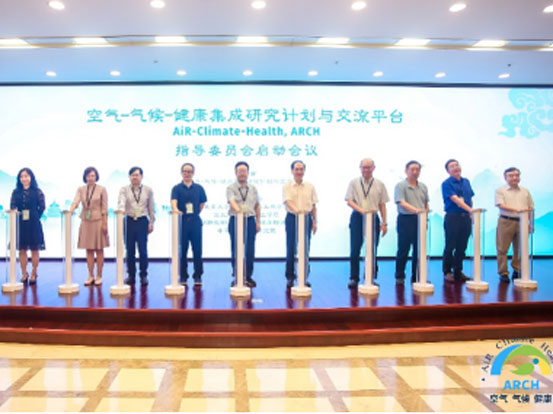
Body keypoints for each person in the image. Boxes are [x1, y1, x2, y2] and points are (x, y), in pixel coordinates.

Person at [345, 158, 388, 288]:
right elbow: (349, 201)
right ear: (360, 168)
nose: (366, 170)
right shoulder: (354, 182)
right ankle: (354, 277)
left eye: (369, 167)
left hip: (373, 217)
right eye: (364, 167)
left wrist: (384, 223)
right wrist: (362, 211)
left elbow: (382, 204)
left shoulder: (379, 184)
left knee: (372, 249)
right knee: (355, 249)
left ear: (373, 168)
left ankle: (370, 277)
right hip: (358, 217)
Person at [69, 166, 109, 286]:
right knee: (89, 249)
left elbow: (104, 207)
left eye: (93, 176)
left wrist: (105, 223)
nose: (90, 178)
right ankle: (91, 275)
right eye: (88, 176)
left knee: (99, 249)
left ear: (96, 177)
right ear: (85, 177)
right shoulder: (81, 189)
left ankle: (99, 275)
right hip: (86, 221)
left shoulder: (102, 189)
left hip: (98, 221)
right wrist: (70, 210)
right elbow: (76, 201)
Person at [117, 166, 155, 286]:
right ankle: (131, 275)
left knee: (143, 250)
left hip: (142, 221)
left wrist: (151, 222)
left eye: (137, 175)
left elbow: (151, 208)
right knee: (130, 250)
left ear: (141, 176)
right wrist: (121, 210)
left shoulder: (148, 190)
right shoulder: (124, 189)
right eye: (132, 175)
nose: (135, 177)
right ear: (129, 177)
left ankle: (143, 275)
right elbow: (121, 201)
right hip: (129, 221)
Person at [495, 167, 534, 283]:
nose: (514, 178)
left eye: (517, 175)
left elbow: (530, 208)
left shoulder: (525, 191)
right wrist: (518, 210)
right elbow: (500, 205)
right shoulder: (500, 190)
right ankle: (503, 272)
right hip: (506, 221)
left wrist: (530, 223)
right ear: (505, 178)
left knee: (520, 248)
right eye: (511, 176)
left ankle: (517, 270)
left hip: (522, 222)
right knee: (502, 249)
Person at [283, 160, 318, 288]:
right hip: (292, 218)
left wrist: (315, 221)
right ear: (292, 171)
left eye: (301, 169)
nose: (299, 171)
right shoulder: (287, 186)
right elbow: (287, 201)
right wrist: (298, 211)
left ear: (304, 171)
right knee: (291, 248)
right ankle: (290, 277)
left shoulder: (310, 186)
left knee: (305, 249)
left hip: (307, 218)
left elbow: (313, 205)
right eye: (296, 169)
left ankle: (304, 277)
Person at [171, 163, 207, 286]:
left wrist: (194, 213)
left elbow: (202, 204)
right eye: (185, 171)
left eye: (189, 171)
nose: (187, 173)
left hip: (195, 221)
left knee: (197, 250)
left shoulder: (199, 188)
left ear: (193, 173)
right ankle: (183, 276)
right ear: (181, 173)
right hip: (182, 222)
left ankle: (198, 276)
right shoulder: (176, 188)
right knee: (182, 250)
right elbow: (173, 202)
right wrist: (176, 210)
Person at [394, 160, 429, 284]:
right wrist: (417, 211)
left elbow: (426, 204)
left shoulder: (423, 186)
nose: (415, 172)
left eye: (417, 170)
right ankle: (400, 275)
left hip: (420, 219)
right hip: (406, 219)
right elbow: (401, 202)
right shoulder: (400, 186)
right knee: (403, 248)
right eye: (412, 169)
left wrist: (425, 218)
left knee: (419, 250)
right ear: (406, 171)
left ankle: (417, 276)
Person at [227, 161, 261, 287]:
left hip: (250, 220)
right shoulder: (231, 188)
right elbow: (231, 201)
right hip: (236, 220)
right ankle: (237, 276)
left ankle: (248, 276)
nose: (242, 173)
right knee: (236, 249)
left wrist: (258, 221)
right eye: (239, 171)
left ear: (248, 173)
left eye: (244, 171)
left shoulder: (253, 188)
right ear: (235, 173)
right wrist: (239, 211)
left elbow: (257, 205)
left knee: (250, 250)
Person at [10, 168, 46, 285]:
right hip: (20, 223)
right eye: (21, 177)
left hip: (33, 223)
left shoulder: (37, 191)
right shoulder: (16, 192)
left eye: (26, 176)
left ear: (31, 178)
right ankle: (24, 273)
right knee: (22, 249)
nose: (24, 179)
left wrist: (35, 216)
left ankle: (34, 273)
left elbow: (42, 207)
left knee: (35, 249)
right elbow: (12, 206)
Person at [441, 159, 473, 283]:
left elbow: (469, 199)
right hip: (453, 217)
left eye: (457, 165)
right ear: (448, 171)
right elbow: (455, 199)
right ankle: (447, 271)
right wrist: (470, 210)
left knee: (462, 246)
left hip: (466, 218)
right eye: (452, 166)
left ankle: (458, 271)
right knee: (450, 245)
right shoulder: (446, 183)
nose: (455, 167)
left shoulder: (466, 182)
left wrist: (470, 213)